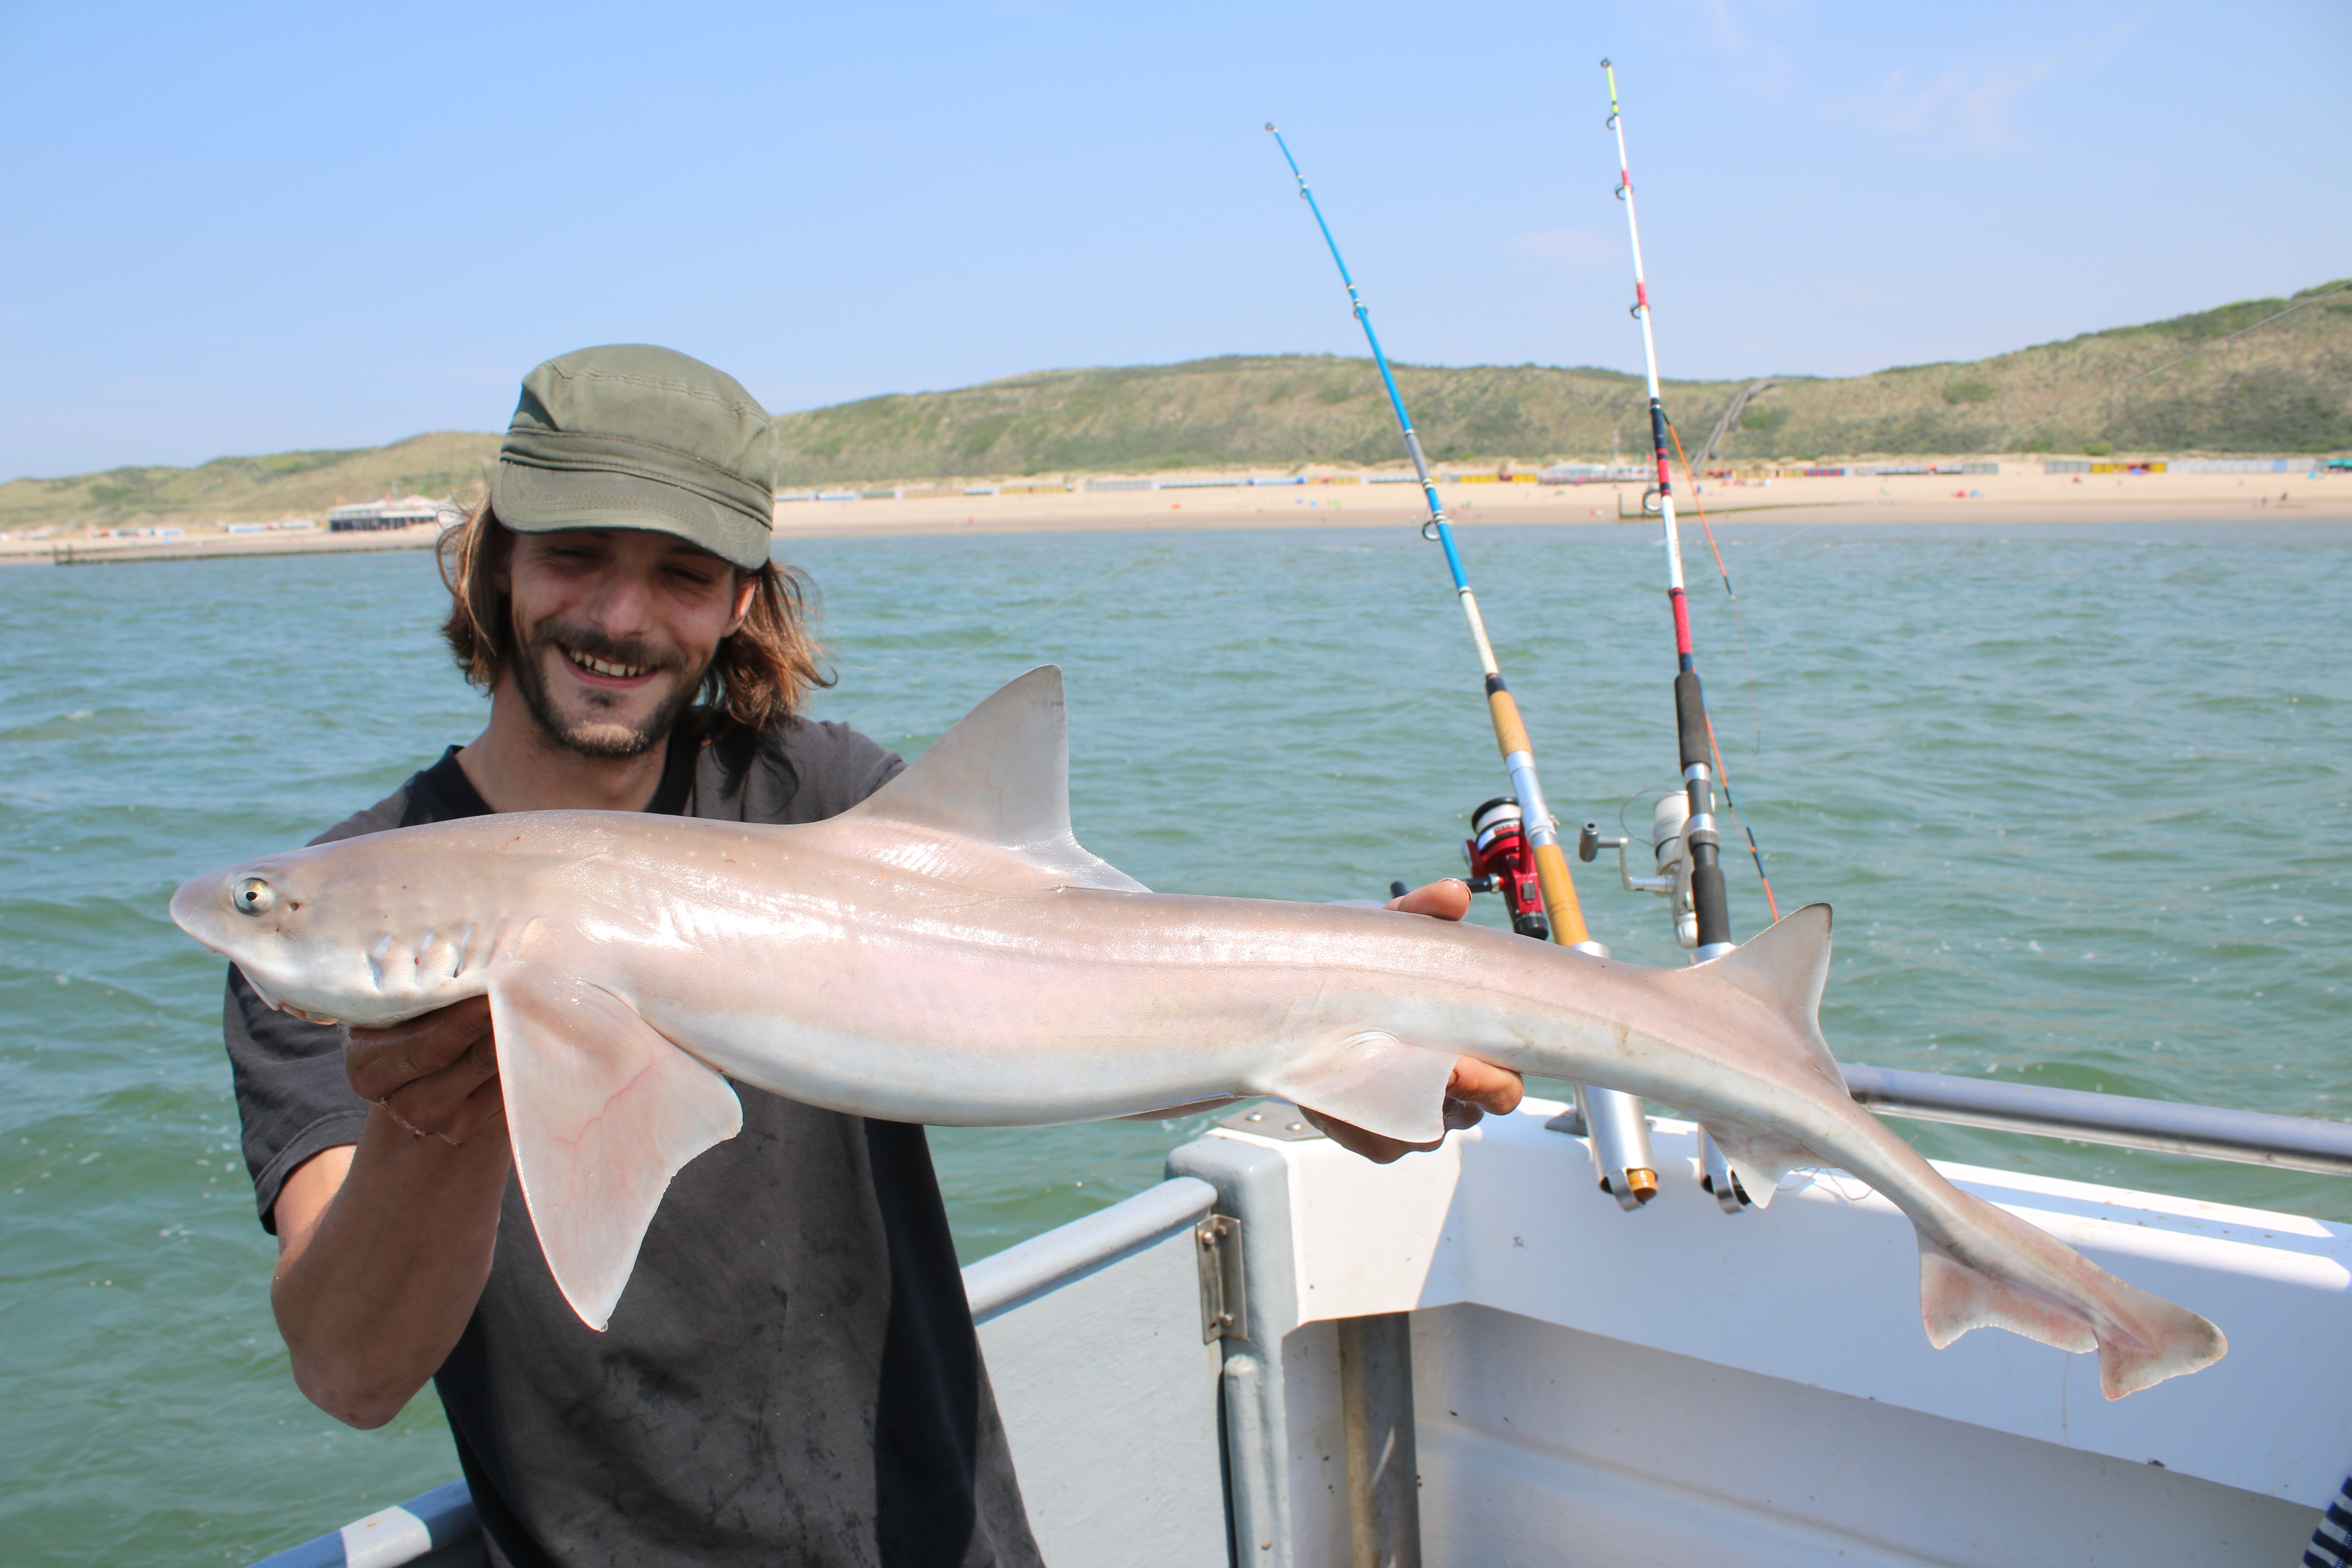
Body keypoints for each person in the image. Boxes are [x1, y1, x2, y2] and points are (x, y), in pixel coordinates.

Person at [221, 344, 1522, 1568]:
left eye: (682, 574)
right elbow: (350, 1373)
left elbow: (1063, 1024)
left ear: (741, 600)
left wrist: (1322, 1042)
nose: (618, 615)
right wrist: (441, 1117)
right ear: (496, 563)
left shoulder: (825, 803)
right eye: (573, 556)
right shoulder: (331, 922)